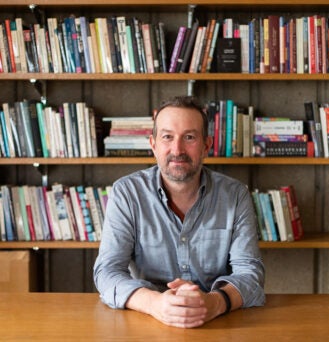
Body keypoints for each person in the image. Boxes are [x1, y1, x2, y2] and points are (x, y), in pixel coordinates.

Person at [93, 95, 265, 328]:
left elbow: (250, 273)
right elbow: (107, 272)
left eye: (190, 137)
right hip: (145, 322)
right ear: (153, 144)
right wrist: (155, 304)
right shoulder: (127, 193)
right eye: (167, 137)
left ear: (207, 145)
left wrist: (214, 303)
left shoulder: (235, 195)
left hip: (217, 324)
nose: (177, 149)